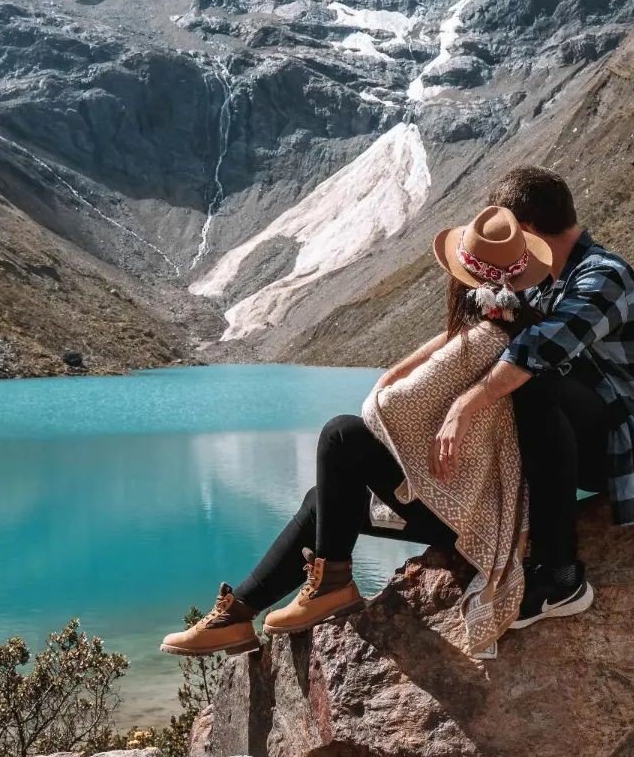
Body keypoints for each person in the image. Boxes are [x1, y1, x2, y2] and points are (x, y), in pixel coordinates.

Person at [160, 207, 548, 659]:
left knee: (341, 435)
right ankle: (238, 615)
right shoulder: (509, 334)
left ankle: (333, 584)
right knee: (320, 500)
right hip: (474, 504)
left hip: (471, 515)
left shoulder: (482, 342)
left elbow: (385, 407)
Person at [482, 166, 634, 629]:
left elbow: (541, 349)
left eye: (510, 233)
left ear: (528, 229)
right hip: (598, 436)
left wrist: (462, 408)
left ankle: (562, 574)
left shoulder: (604, 275)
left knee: (530, 377)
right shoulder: (549, 280)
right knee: (519, 380)